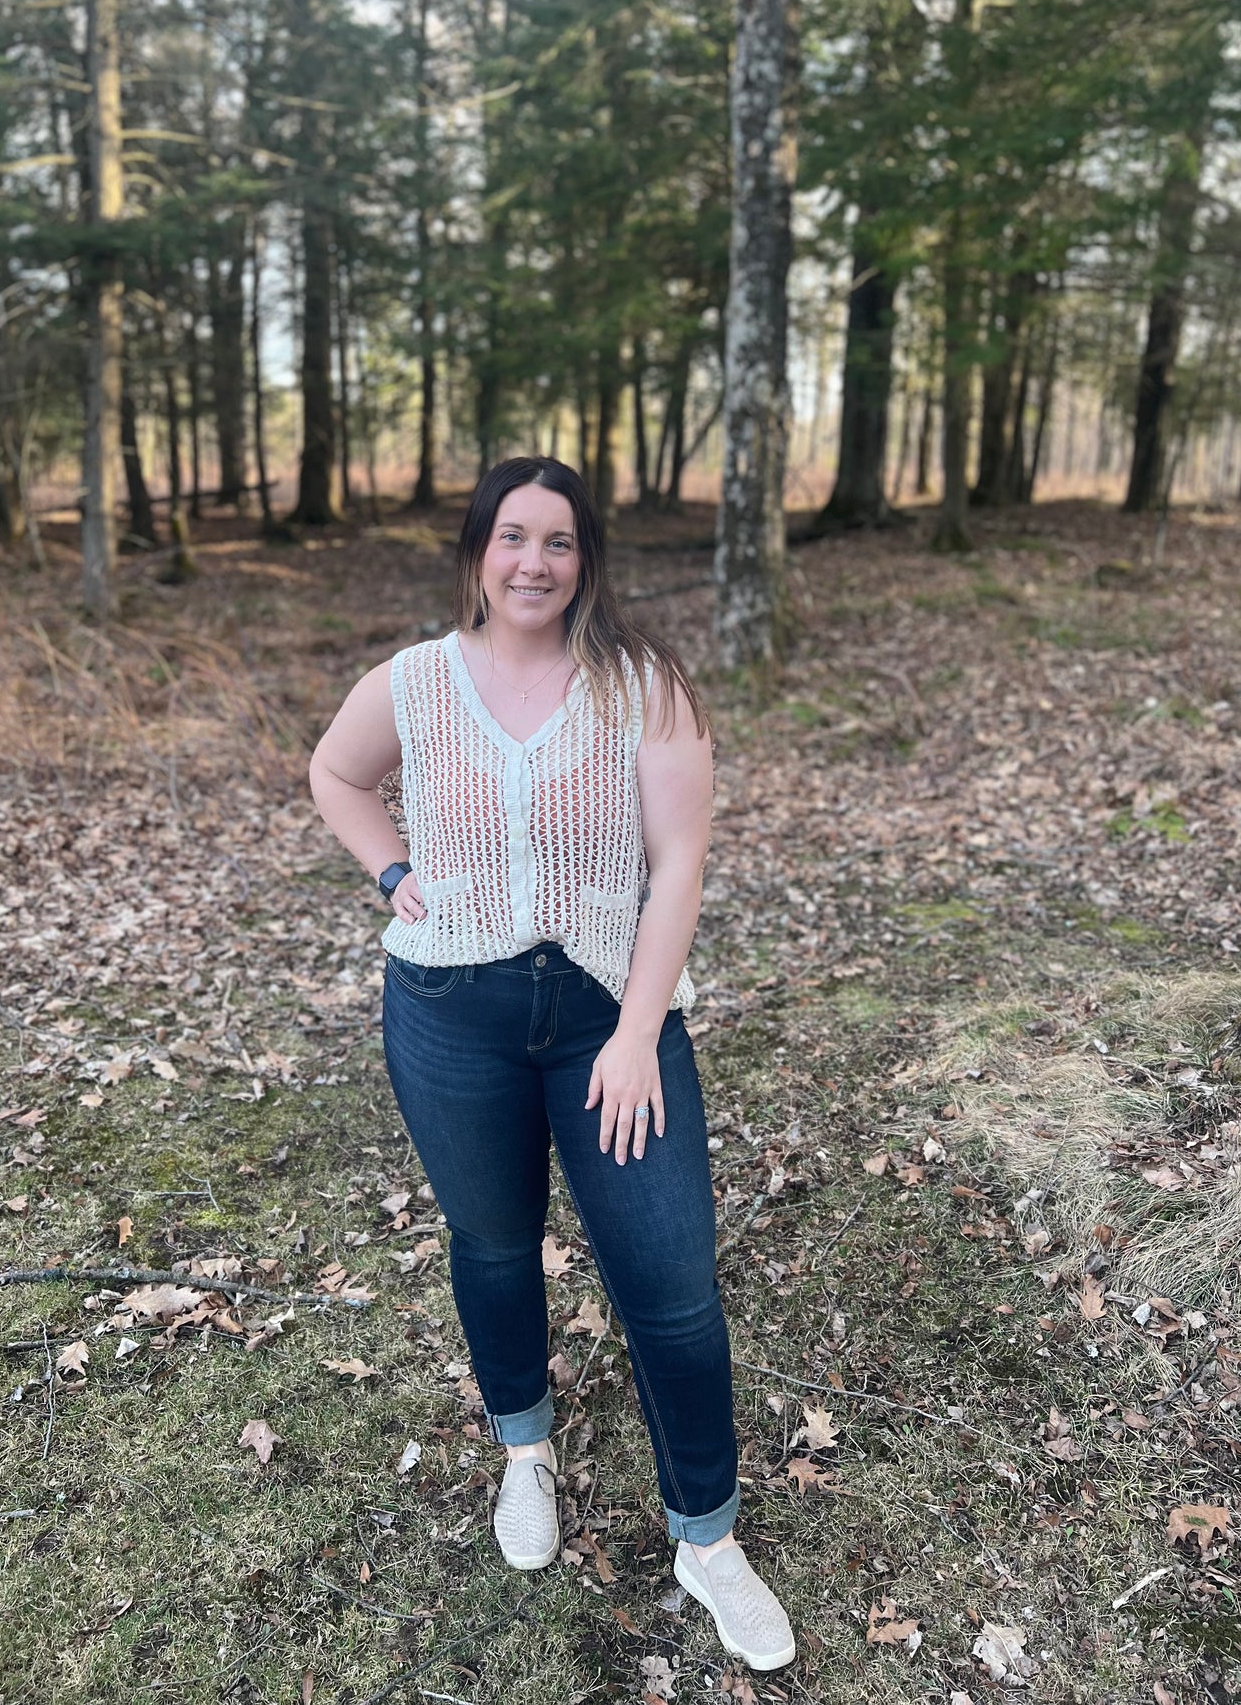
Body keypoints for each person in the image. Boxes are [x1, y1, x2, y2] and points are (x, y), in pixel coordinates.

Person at [308, 456, 795, 1672]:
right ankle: (526, 1451)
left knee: (671, 1282)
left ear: (589, 559)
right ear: (477, 550)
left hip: (602, 1018)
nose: (533, 561)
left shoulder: (643, 685)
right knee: (490, 1241)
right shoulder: (413, 681)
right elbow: (334, 772)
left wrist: (636, 1033)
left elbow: (676, 862)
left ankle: (706, 1536)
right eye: (511, 536)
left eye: (559, 541)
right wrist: (389, 869)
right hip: (446, 1010)